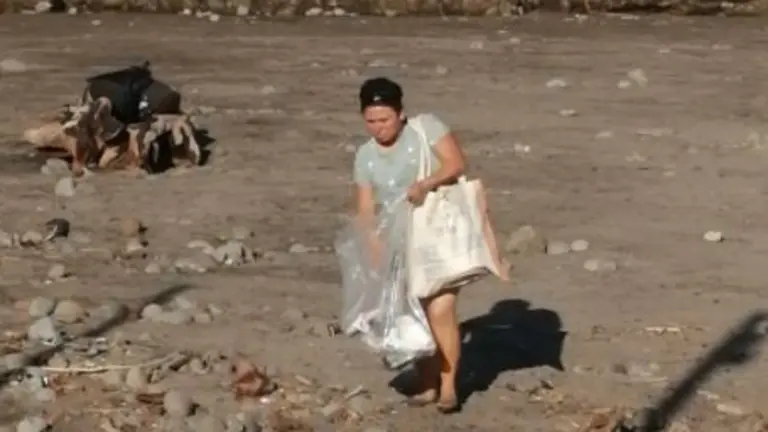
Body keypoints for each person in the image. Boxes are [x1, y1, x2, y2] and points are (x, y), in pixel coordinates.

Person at [352, 77, 468, 414]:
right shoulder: (364, 155)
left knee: (440, 310)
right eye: (371, 121)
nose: (378, 128)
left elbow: (456, 163)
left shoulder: (426, 128)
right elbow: (364, 207)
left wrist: (427, 183)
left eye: (385, 119)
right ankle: (428, 383)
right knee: (414, 314)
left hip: (438, 234)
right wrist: (372, 245)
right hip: (398, 244)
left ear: (401, 114)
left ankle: (448, 387)